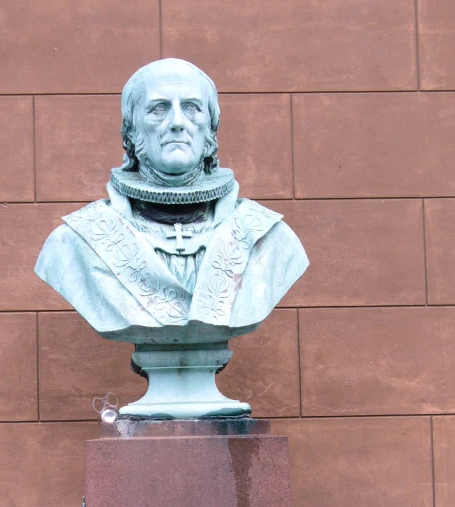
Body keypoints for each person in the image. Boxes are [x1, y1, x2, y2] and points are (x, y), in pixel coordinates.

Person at [35, 58, 308, 346]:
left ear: (210, 128)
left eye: (192, 107)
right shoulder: (75, 243)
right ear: (131, 131)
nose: (177, 122)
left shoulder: (269, 239)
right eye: (158, 108)